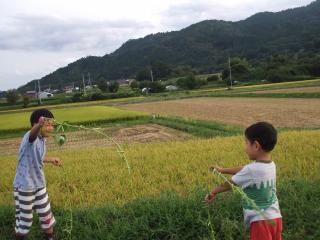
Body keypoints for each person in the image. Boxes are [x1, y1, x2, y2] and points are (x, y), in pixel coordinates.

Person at [206, 122, 282, 240]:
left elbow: (229, 184)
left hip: (260, 221)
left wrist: (213, 191)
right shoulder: (270, 165)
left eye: (246, 142)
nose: (245, 147)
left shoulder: (252, 170)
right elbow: (245, 169)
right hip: (275, 218)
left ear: (256, 145)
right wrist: (223, 170)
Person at [13, 109, 61, 240]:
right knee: (25, 220)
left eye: (52, 125)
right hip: (24, 186)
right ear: (36, 124)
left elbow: (38, 157)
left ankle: (50, 237)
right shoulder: (29, 137)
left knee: (46, 215)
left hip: (39, 184)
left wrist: (51, 159)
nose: (51, 128)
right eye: (48, 124)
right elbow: (32, 135)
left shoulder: (42, 140)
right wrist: (38, 126)